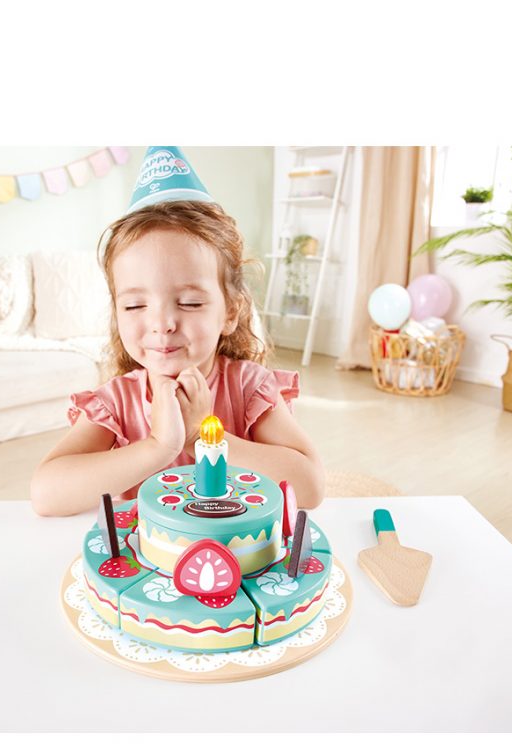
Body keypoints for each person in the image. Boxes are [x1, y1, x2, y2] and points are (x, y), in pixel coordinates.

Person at [31, 147, 325, 516]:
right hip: (144, 552)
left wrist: (203, 435)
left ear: (230, 311)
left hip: (238, 551)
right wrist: (157, 447)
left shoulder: (249, 389)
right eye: (135, 305)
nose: (162, 323)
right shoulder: (117, 403)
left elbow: (310, 487)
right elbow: (46, 495)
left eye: (189, 302)